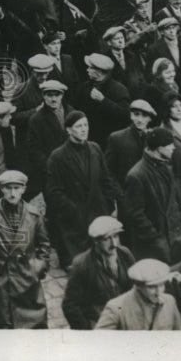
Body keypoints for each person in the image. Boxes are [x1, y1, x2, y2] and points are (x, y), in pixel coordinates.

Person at [0, 170, 52, 329]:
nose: (12, 193)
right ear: (2, 189)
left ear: (23, 189)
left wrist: (38, 267)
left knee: (34, 326)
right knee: (3, 326)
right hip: (2, 280)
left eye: (17, 188)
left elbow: (44, 244)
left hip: (28, 279)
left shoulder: (34, 214)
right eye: (8, 188)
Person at [44, 110, 119, 270]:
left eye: (86, 125)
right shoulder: (58, 157)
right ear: (69, 130)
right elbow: (54, 192)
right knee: (81, 266)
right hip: (74, 219)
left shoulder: (95, 149)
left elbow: (106, 179)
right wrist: (73, 210)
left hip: (97, 211)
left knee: (102, 261)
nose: (84, 129)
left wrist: (110, 205)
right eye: (78, 126)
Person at [62, 215, 135, 330]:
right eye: (107, 239)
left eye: (116, 236)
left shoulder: (125, 254)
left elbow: (135, 287)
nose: (114, 244)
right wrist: (87, 333)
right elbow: (70, 306)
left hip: (125, 318)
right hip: (99, 323)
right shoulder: (82, 264)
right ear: (96, 241)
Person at [123, 126, 181, 263]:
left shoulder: (166, 167)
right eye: (170, 145)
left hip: (174, 238)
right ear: (160, 148)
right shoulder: (136, 175)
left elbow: (173, 202)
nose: (174, 148)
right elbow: (135, 214)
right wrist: (155, 238)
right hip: (154, 246)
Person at [95, 259, 181, 330]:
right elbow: (100, 343)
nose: (159, 292)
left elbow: (178, 338)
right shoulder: (116, 307)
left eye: (161, 285)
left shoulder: (170, 301)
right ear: (139, 286)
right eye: (152, 287)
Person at [74, 53, 131, 148]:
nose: (87, 70)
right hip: (88, 140)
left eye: (90, 68)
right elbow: (77, 108)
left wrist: (104, 101)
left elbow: (125, 116)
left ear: (99, 71)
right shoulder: (85, 87)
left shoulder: (119, 89)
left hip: (109, 142)